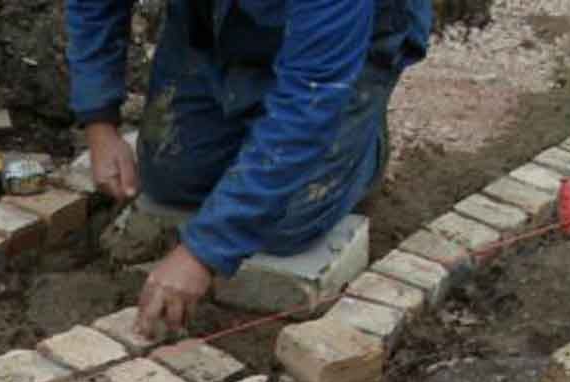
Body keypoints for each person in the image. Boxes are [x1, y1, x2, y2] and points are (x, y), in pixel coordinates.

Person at [65, 0, 433, 337]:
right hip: (217, 23)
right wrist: (99, 122)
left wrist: (203, 253)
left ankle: (361, 149)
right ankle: (254, 125)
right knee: (169, 179)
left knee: (284, 223)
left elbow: (308, 102)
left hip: (343, 48)